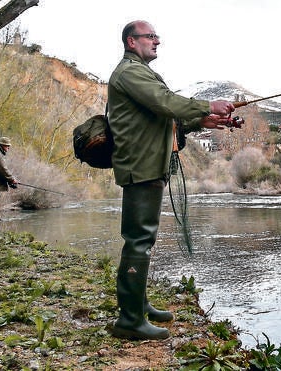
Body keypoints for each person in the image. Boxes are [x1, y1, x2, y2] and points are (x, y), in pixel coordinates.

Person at [107, 20, 236, 340]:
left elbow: (166, 119)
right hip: (141, 167)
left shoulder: (140, 73)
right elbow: (164, 102)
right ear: (131, 42)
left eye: (156, 37)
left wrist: (203, 119)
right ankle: (130, 320)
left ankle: (139, 305)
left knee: (143, 240)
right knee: (139, 240)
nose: (157, 41)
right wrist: (208, 104)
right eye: (150, 37)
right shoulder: (130, 72)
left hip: (148, 165)